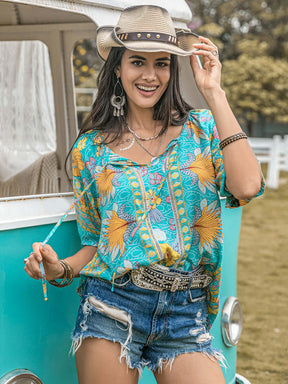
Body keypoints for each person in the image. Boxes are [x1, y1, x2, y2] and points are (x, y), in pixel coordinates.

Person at [24, 5, 264, 384]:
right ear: (118, 68)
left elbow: (247, 186)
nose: (151, 75)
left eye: (163, 64)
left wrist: (214, 93)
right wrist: (62, 268)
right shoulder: (91, 150)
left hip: (187, 309)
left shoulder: (202, 129)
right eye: (138, 62)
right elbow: (96, 242)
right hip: (111, 305)